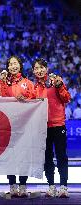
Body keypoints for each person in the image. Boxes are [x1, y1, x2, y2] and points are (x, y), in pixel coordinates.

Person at [32, 58, 70, 198]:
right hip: (42, 127)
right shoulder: (34, 88)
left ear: (46, 69)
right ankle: (51, 187)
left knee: (62, 157)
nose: (39, 70)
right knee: (47, 158)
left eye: (42, 67)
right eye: (37, 68)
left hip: (58, 125)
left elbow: (66, 98)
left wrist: (60, 86)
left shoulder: (55, 81)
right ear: (33, 71)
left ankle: (64, 187)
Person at [0, 56, 36, 197]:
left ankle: (23, 186)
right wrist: (2, 82)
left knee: (23, 156)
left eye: (15, 63)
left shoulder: (28, 83)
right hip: (8, 125)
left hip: (25, 125)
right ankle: (12, 185)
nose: (13, 66)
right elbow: (1, 98)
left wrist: (26, 100)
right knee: (10, 156)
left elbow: (36, 100)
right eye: (10, 64)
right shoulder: (4, 83)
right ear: (7, 68)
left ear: (20, 66)